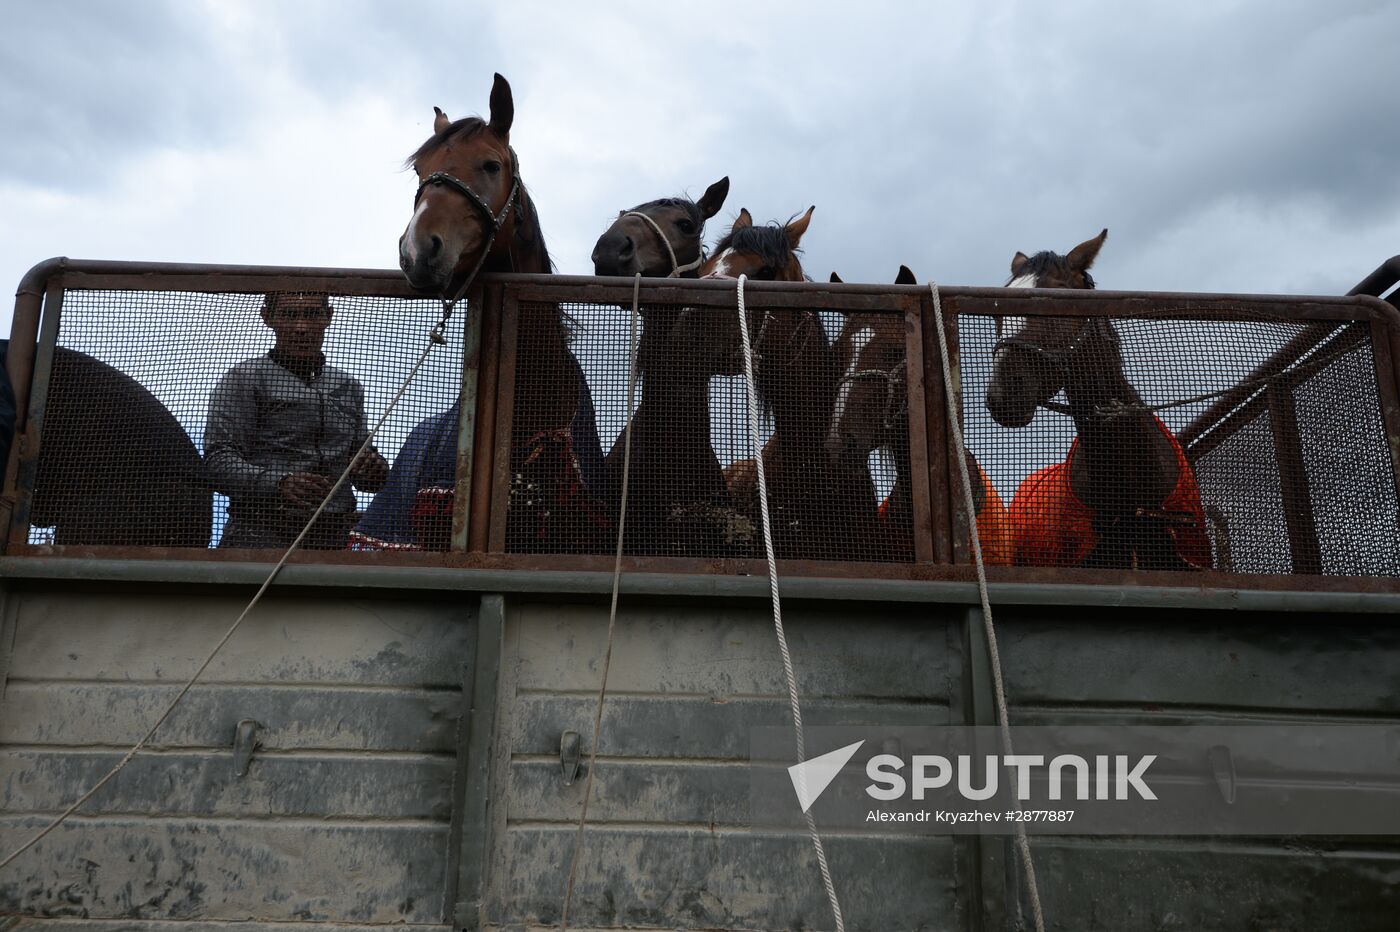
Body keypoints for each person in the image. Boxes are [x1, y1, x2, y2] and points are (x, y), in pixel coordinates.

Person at [204, 293, 388, 549]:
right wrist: (280, 483)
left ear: (328, 317)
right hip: (260, 534)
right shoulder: (245, 379)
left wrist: (374, 469)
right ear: (267, 318)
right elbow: (218, 461)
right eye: (290, 315)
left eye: (312, 315)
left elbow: (362, 467)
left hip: (334, 538)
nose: (301, 327)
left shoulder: (348, 387)